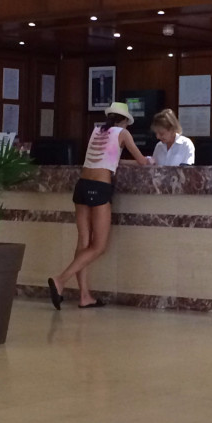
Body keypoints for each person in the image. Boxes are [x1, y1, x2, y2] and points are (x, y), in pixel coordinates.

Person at [48, 102, 150, 310]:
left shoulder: (97, 131)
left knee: (83, 243)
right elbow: (142, 161)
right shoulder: (123, 133)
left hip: (82, 186)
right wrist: (149, 159)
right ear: (125, 120)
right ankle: (60, 280)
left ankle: (85, 296)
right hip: (99, 188)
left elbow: (109, 159)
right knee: (99, 246)